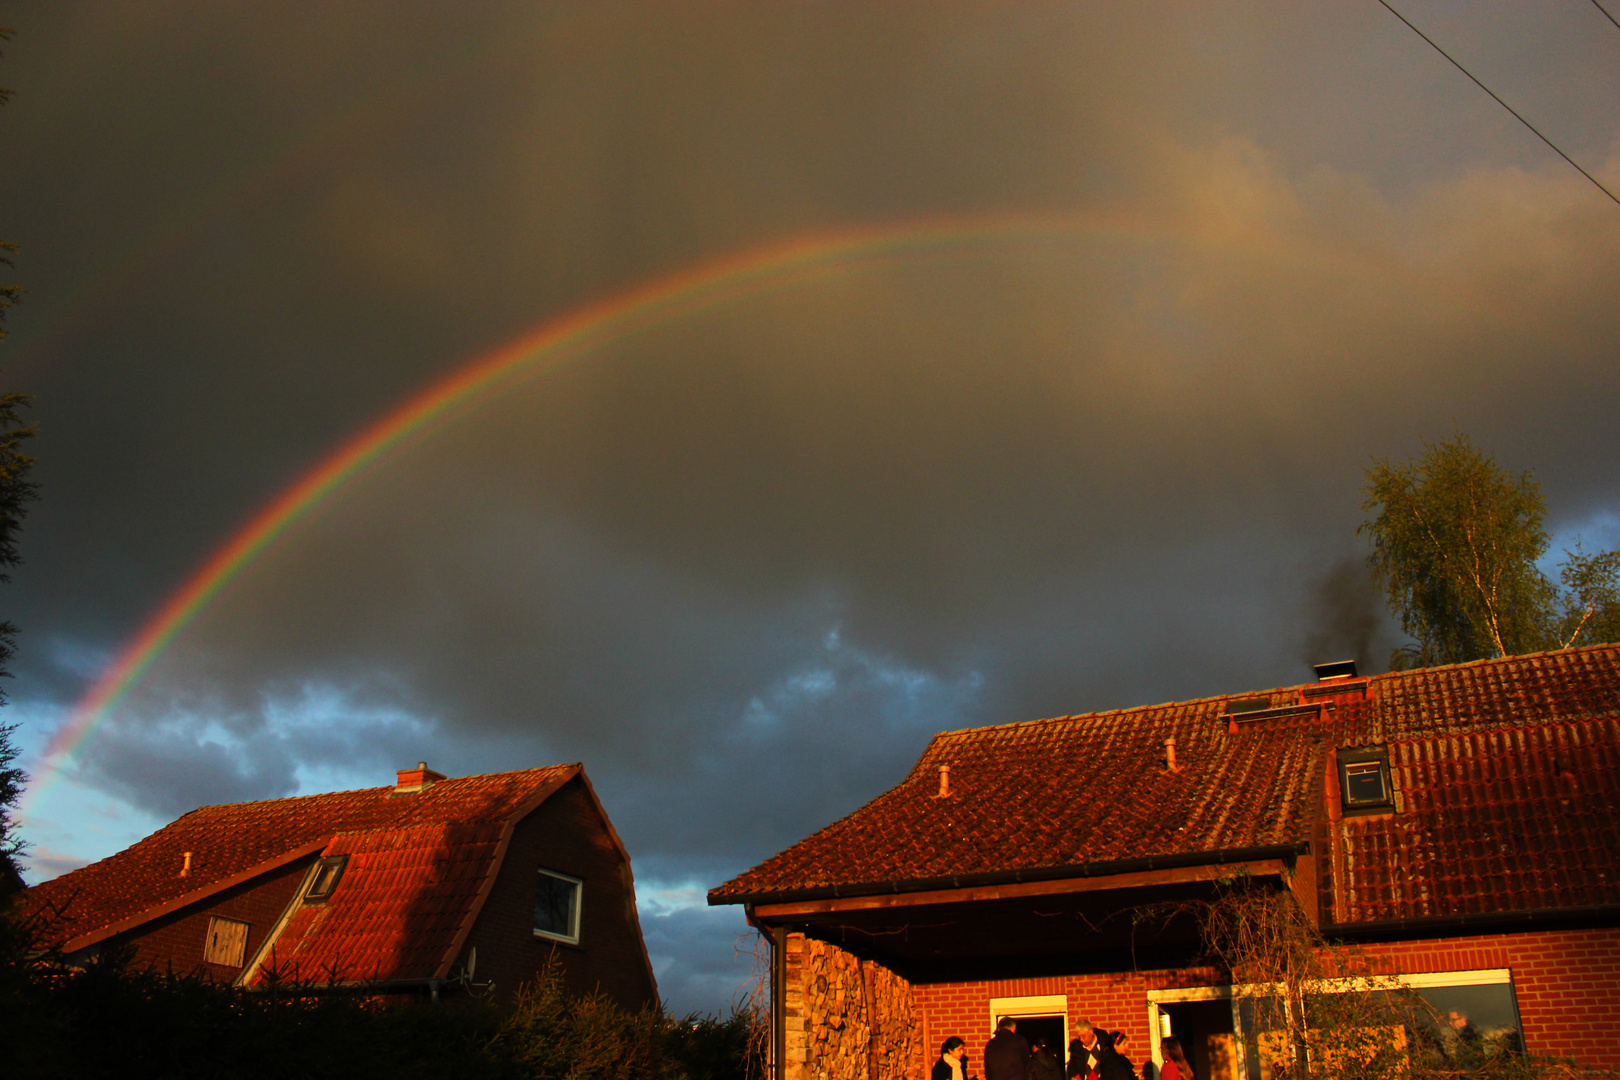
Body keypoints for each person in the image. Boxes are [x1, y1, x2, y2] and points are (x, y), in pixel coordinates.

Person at [1069, 1022, 1136, 1080]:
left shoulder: (1104, 1042)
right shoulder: (1077, 1048)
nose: (1081, 1039)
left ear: (1091, 1032)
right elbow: (1071, 1067)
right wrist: (1074, 1076)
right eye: (1079, 1037)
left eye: (1083, 1036)